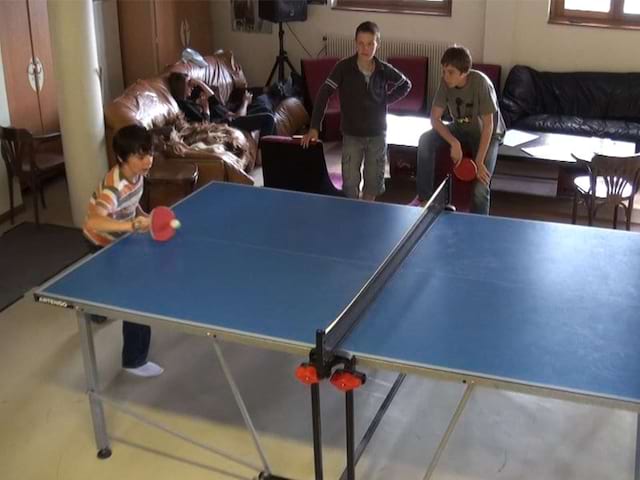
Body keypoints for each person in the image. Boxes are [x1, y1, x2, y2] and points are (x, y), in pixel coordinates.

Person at [83, 125, 163, 378]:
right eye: (140, 156)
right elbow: (93, 221)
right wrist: (130, 226)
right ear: (122, 158)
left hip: (119, 239)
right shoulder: (113, 187)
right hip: (100, 242)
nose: (148, 160)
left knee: (111, 286)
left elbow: (132, 201)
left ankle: (95, 311)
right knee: (138, 296)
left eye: (149, 153)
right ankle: (134, 360)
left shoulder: (137, 175)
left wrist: (141, 216)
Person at [301, 21, 411, 201]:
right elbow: (323, 93)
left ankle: (366, 215)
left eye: (370, 44)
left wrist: (385, 100)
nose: (365, 48)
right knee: (350, 184)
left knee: (373, 183)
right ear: (355, 43)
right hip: (352, 136)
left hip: (377, 135)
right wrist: (314, 126)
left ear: (377, 44)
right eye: (361, 43)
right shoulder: (343, 67)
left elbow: (405, 84)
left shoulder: (383, 69)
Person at [412, 45, 505, 214]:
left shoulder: (481, 83)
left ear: (464, 72)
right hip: (461, 128)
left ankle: (478, 225)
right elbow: (435, 118)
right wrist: (454, 142)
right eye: (444, 71)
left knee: (480, 188)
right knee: (425, 139)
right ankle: (425, 199)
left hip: (488, 134)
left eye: (451, 72)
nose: (445, 76)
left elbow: (489, 125)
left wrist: (479, 161)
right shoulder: (445, 82)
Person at [168, 72, 276, 139]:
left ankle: (277, 148)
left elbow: (213, 99)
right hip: (225, 123)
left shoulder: (191, 100)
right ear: (180, 87)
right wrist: (205, 109)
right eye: (188, 84)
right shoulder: (183, 104)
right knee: (268, 118)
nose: (192, 87)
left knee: (266, 110)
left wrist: (199, 82)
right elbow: (204, 123)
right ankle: (262, 155)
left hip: (228, 117)